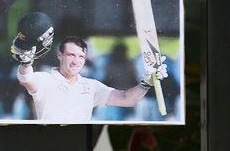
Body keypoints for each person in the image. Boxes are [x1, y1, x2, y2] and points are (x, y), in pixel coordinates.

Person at [12, 35, 168, 123]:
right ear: (59, 55)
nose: (76, 61)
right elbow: (26, 78)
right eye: (71, 55)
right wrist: (26, 62)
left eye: (81, 56)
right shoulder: (45, 79)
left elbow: (126, 99)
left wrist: (146, 82)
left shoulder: (91, 86)